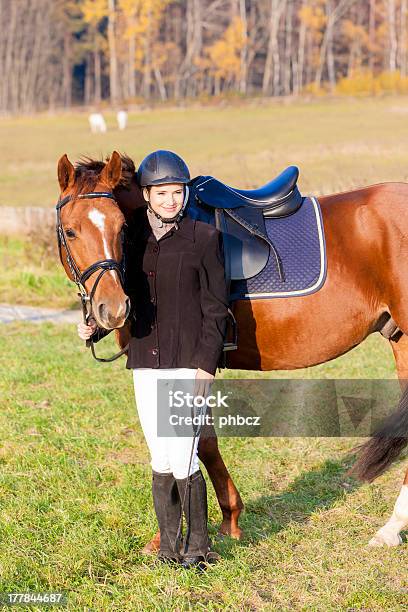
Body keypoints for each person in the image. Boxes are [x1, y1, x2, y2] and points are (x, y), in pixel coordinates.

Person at [77, 150, 229, 569]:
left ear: (185, 195)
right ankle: (168, 549)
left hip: (187, 362)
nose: (170, 200)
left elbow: (216, 311)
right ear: (145, 194)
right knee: (159, 459)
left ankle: (198, 549)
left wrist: (205, 366)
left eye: (176, 192)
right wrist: (97, 326)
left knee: (183, 455)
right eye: (161, 192)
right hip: (144, 361)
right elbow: (126, 301)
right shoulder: (130, 240)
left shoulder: (205, 239)